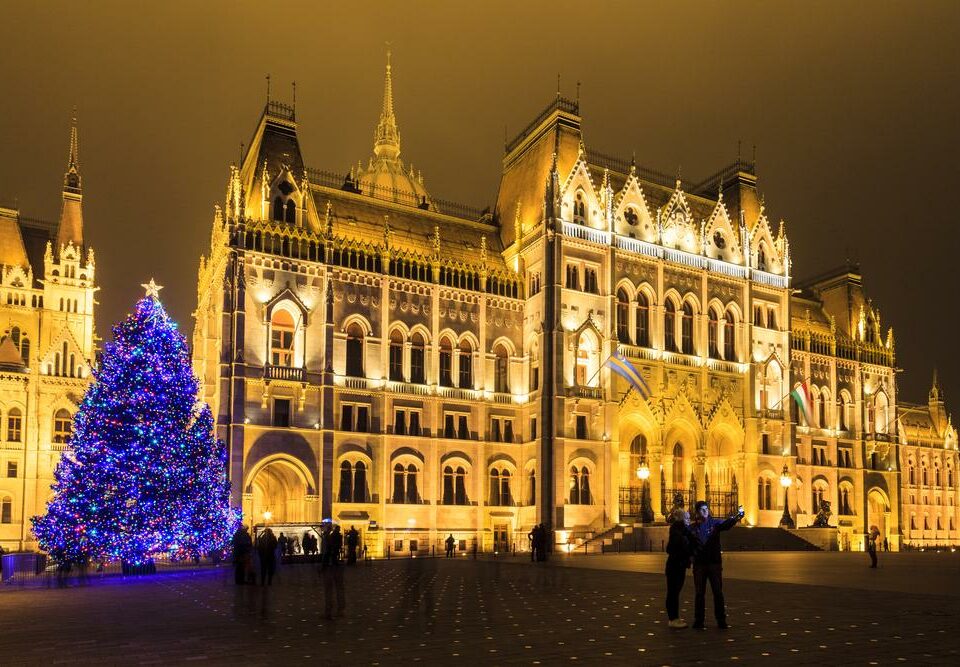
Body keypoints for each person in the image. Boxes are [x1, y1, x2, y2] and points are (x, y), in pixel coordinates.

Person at [690, 501, 743, 629]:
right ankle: (699, 620)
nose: (705, 511)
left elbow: (726, 524)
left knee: (718, 592)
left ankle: (721, 620)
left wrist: (737, 516)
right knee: (699, 593)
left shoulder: (714, 523)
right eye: (702, 509)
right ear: (697, 512)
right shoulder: (693, 528)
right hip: (700, 565)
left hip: (714, 563)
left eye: (706, 509)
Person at [665, 509, 698, 629]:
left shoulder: (680, 529)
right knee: (673, 592)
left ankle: (675, 617)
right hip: (675, 566)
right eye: (687, 518)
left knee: (674, 592)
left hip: (677, 565)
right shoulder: (677, 530)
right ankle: (673, 619)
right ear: (681, 519)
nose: (689, 520)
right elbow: (672, 548)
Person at [321, 524, 346, 619]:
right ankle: (339, 609)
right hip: (335, 565)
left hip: (330, 566)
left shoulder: (330, 538)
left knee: (330, 589)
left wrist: (323, 566)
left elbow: (327, 553)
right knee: (338, 588)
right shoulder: (337, 537)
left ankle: (330, 611)